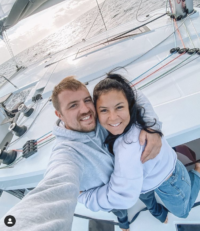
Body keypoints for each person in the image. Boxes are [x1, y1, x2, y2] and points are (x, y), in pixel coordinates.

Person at [0, 76, 163, 231]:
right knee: (119, 211)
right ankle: (123, 220)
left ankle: (156, 211)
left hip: (139, 178)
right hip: (109, 198)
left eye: (87, 100)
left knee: (148, 197)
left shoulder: (102, 116)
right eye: (73, 105)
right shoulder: (66, 153)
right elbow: (55, 187)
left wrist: (152, 128)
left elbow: (134, 95)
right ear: (59, 115)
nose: (85, 109)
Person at [78, 73, 200, 231]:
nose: (113, 117)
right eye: (104, 110)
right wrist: (152, 126)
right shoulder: (133, 117)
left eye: (119, 107)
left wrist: (82, 196)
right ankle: (159, 211)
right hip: (151, 179)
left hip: (170, 182)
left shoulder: (128, 147)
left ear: (129, 104)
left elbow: (121, 197)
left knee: (183, 212)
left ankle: (197, 174)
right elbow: (135, 94)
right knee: (151, 199)